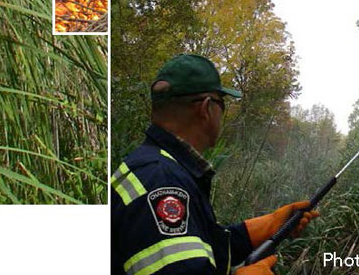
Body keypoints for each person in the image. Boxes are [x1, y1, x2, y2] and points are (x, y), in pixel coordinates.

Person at [111, 54, 318, 275]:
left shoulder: (154, 166)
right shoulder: (163, 181)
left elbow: (203, 246)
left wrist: (273, 223)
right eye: (222, 104)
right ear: (206, 108)